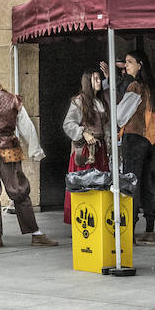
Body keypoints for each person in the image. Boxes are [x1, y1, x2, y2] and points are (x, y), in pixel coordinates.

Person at [0, 74, 56, 248]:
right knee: (19, 192)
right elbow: (27, 126)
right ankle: (35, 234)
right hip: (9, 149)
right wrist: (35, 149)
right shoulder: (13, 100)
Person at [112, 51, 155, 245]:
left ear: (140, 65)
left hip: (133, 139)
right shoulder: (150, 88)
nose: (126, 65)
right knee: (146, 184)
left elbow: (120, 115)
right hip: (149, 140)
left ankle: (128, 230)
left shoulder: (135, 86)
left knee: (131, 185)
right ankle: (150, 229)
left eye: (130, 62)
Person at [62, 68, 109, 223]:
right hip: (85, 151)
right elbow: (68, 124)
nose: (98, 81)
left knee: (100, 183)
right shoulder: (79, 101)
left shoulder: (102, 101)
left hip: (100, 149)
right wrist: (84, 133)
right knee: (84, 185)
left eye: (99, 78)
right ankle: (81, 217)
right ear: (87, 82)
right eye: (95, 78)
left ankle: (97, 215)